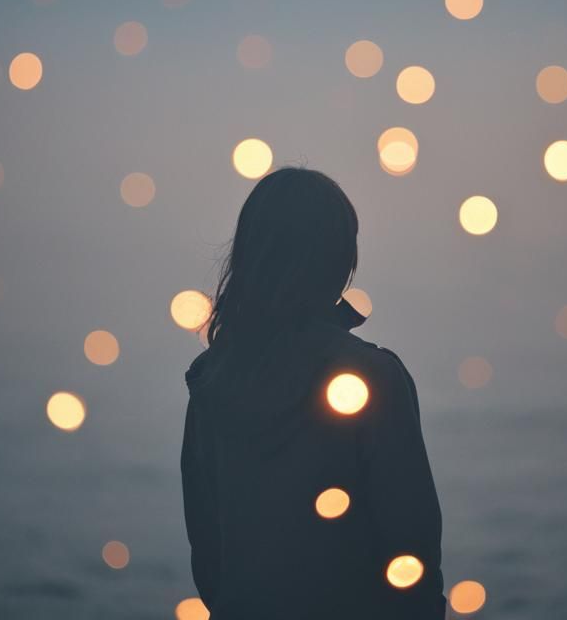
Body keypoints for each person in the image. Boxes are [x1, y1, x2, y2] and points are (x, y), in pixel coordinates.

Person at [181, 165, 446, 619]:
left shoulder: (212, 382)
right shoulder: (373, 378)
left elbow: (210, 563)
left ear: (249, 256)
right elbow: (412, 558)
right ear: (340, 260)